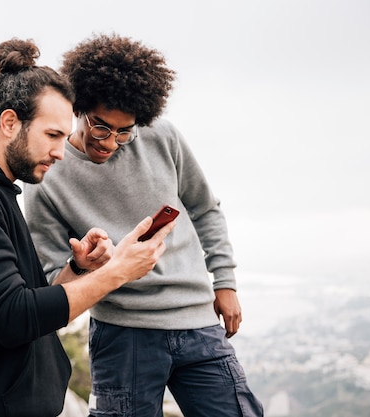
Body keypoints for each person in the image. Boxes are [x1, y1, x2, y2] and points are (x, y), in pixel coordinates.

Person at [0, 37, 174, 417]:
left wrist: (79, 271)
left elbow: (29, 310)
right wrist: (117, 273)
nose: (61, 152)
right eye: (52, 135)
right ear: (10, 122)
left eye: (65, 138)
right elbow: (13, 319)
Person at [23, 33, 264, 417]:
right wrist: (85, 265)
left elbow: (205, 209)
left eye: (125, 132)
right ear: (79, 108)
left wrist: (226, 282)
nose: (111, 143)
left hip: (197, 322)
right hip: (123, 335)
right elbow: (55, 285)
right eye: (101, 128)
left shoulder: (162, 137)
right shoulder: (46, 176)